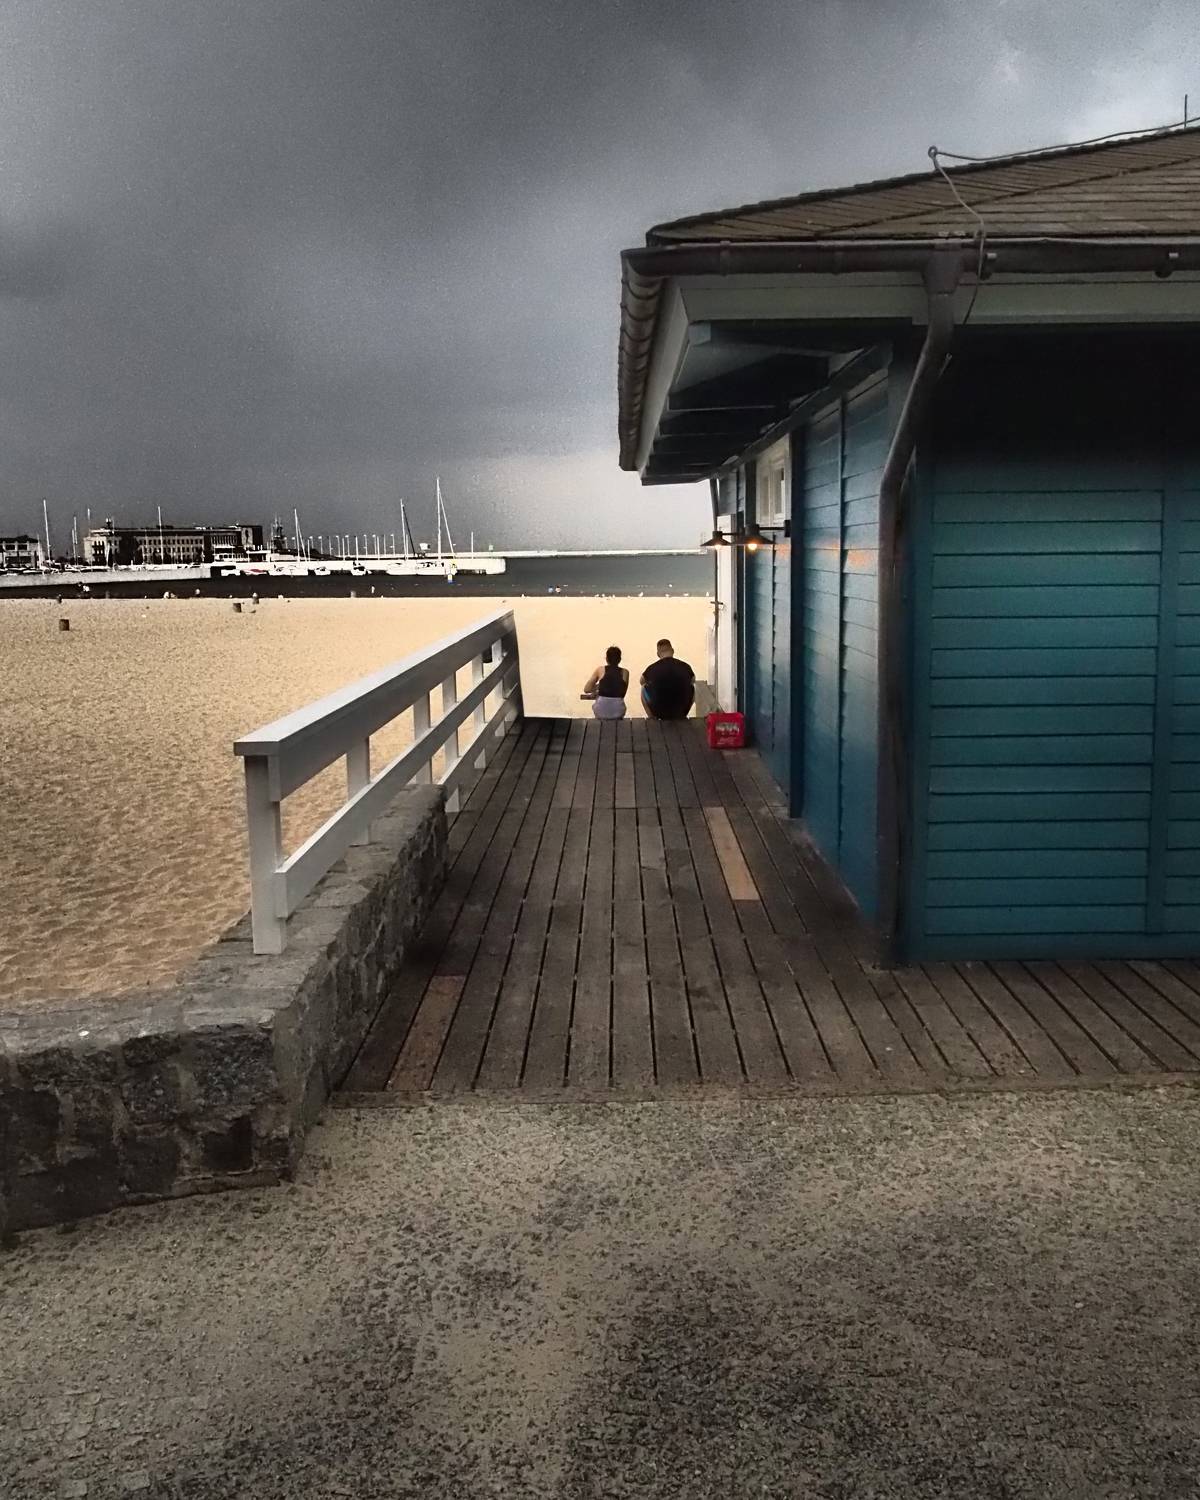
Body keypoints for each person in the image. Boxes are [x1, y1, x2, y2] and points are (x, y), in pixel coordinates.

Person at [641, 638, 695, 720]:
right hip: (680, 710)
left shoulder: (652, 668)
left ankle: (652, 718)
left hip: (659, 711)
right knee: (693, 686)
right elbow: (693, 680)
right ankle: (683, 716)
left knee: (643, 687)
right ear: (672, 651)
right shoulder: (685, 666)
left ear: (658, 654)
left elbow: (641, 681)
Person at [582, 645, 630, 719]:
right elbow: (622, 694)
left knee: (599, 701)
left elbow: (587, 689)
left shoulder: (600, 670)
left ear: (606, 659)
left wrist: (599, 687)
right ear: (619, 659)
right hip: (618, 711)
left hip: (600, 711)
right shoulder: (625, 672)